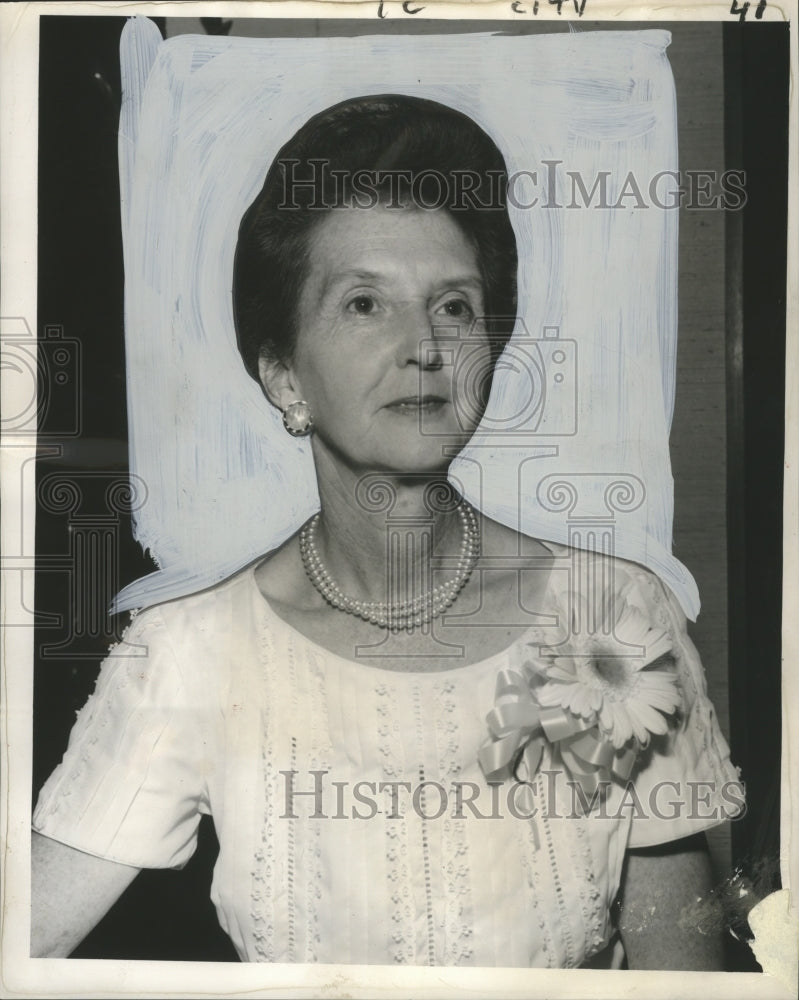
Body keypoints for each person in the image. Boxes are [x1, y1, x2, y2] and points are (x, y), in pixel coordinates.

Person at [31, 95, 742, 968]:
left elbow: (684, 976)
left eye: (452, 306)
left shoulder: (613, 618)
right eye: (364, 304)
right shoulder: (190, 650)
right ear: (284, 373)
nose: (425, 349)